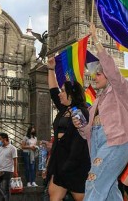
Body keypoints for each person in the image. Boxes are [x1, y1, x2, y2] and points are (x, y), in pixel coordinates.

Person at [73, 23, 128, 201]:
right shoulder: (96, 103)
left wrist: (97, 41)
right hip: (98, 146)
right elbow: (87, 134)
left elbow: (113, 71)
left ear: (107, 74)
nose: (94, 77)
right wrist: (80, 125)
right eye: (94, 75)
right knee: (109, 190)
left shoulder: (120, 90)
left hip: (116, 142)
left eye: (98, 74)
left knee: (93, 182)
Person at [46, 56, 90, 201]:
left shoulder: (81, 111)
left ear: (72, 93)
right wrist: (51, 69)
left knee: (82, 198)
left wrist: (70, 164)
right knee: (53, 195)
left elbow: (81, 140)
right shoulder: (64, 109)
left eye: (63, 91)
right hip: (60, 161)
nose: (60, 93)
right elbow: (53, 92)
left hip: (75, 164)